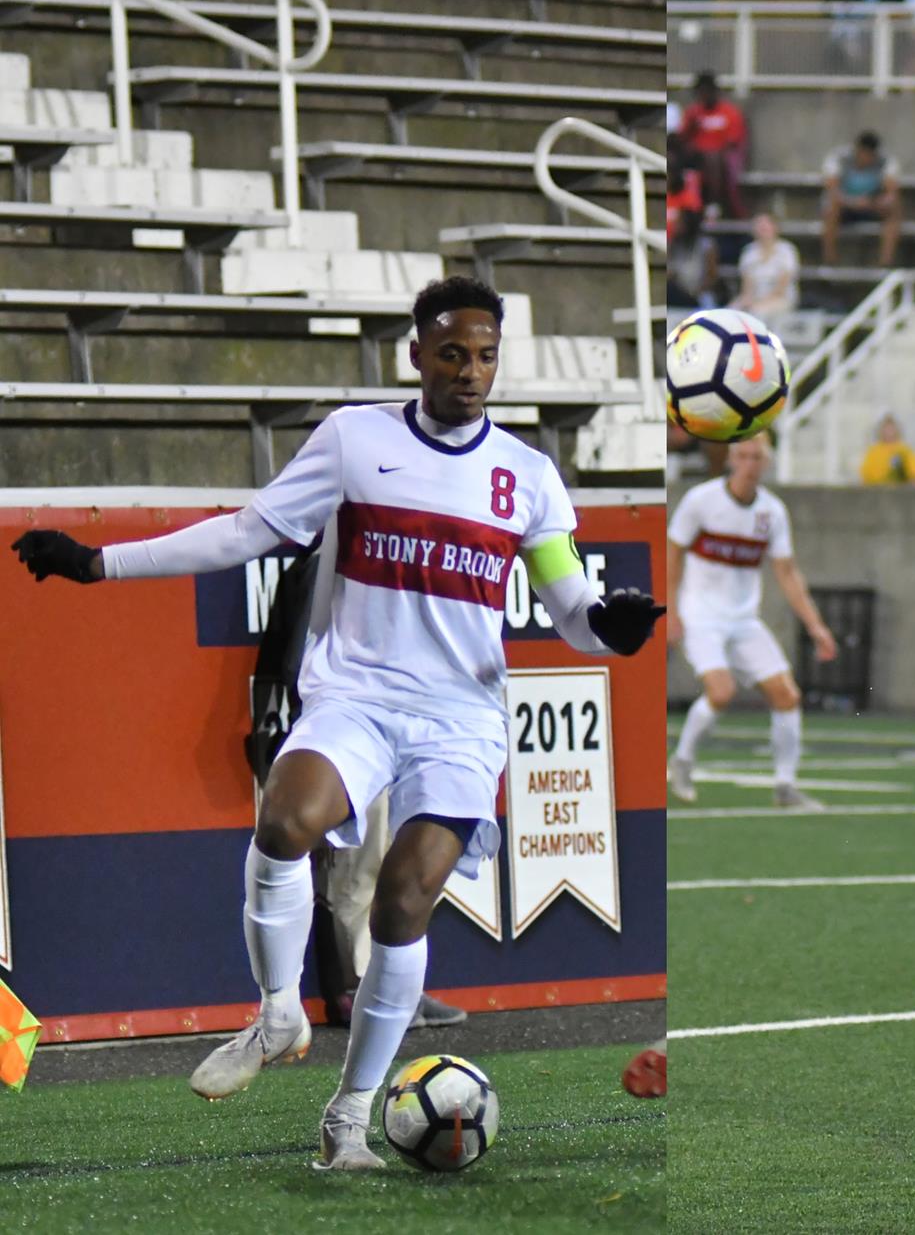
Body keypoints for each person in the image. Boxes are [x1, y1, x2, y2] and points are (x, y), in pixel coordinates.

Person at [11, 276, 665, 1169]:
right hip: (355, 694)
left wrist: (612, 628)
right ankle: (280, 1012)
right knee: (283, 818)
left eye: (485, 356)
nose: (471, 372)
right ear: (416, 355)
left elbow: (573, 610)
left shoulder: (529, 478)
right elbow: (248, 531)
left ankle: (351, 1114)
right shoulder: (356, 438)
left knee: (403, 901)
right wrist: (98, 563)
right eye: (452, 354)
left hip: (459, 720)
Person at [665, 435, 838, 811]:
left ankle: (785, 787)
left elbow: (787, 573)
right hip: (701, 616)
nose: (749, 463)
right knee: (722, 692)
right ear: (730, 459)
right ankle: (683, 760)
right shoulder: (701, 501)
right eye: (742, 456)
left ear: (767, 462)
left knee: (787, 695)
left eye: (756, 457)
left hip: (744, 620)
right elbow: (672, 553)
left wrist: (815, 626)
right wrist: (671, 610)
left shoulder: (772, 513)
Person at [821, 131, 902, 267]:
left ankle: (885, 262)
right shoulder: (839, 159)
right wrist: (852, 202)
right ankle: (830, 260)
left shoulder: (887, 162)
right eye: (863, 154)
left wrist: (874, 202)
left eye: (869, 155)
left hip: (872, 206)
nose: (865, 158)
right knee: (830, 207)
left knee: (894, 210)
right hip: (844, 206)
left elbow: (891, 194)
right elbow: (832, 191)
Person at [679, 70, 747, 219]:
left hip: (722, 158)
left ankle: (713, 203)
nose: (704, 96)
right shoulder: (693, 112)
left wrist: (711, 152)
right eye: (700, 92)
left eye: (706, 92)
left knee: (713, 158)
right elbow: (682, 138)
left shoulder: (730, 112)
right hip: (697, 158)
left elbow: (733, 142)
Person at [730, 213, 800, 319]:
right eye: (759, 225)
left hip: (781, 298)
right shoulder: (749, 252)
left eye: (766, 224)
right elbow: (747, 288)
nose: (763, 228)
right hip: (755, 298)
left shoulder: (787, 250)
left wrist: (759, 303)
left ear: (775, 227)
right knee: (730, 312)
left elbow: (781, 287)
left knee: (756, 312)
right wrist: (745, 302)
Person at [665, 206, 720, 310]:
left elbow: (712, 277)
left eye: (679, 222)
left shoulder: (707, 245)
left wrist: (696, 291)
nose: (676, 226)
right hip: (676, 291)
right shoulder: (672, 244)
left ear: (688, 224)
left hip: (697, 294)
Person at [860, 414, 915, 485]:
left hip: (899, 492)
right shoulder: (873, 451)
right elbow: (865, 476)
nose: (888, 432)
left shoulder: (905, 451)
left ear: (896, 430)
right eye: (886, 429)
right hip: (877, 492)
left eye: (891, 429)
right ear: (881, 431)